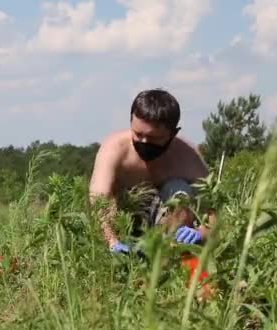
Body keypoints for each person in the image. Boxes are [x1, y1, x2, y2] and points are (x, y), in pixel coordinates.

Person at [89, 88, 216, 254]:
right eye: (138, 134)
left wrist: (201, 232)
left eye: (153, 138)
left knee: (178, 190)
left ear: (173, 133)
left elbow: (214, 209)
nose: (143, 141)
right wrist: (111, 241)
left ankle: (172, 254)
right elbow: (99, 198)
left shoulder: (188, 157)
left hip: (167, 229)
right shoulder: (114, 149)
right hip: (124, 221)